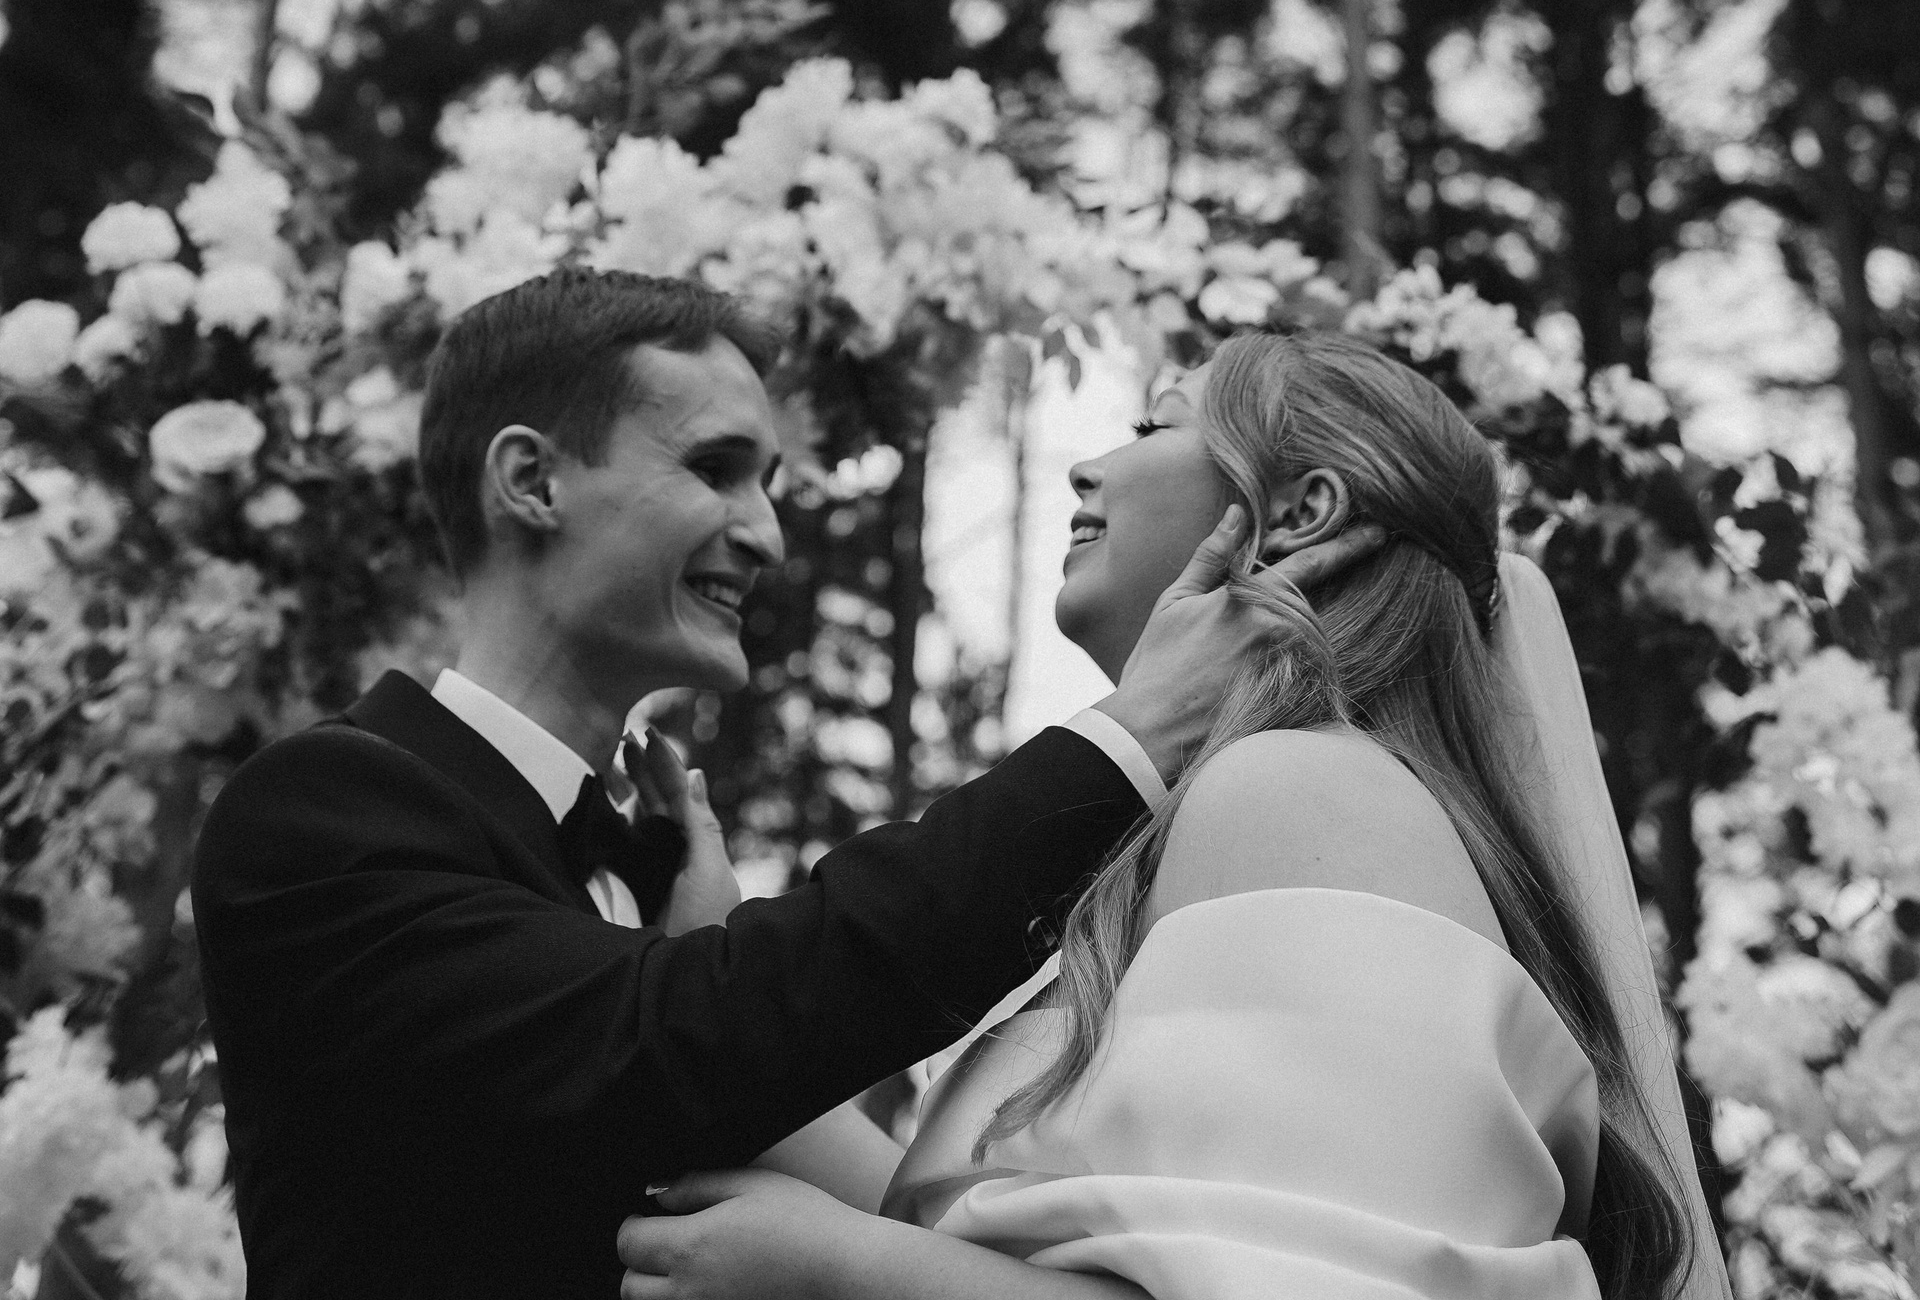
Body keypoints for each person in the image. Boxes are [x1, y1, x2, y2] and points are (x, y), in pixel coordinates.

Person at [192, 270, 1352, 1300]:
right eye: (715, 471)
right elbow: (683, 1039)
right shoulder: (322, 811)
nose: (768, 535)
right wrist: (1126, 742)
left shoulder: (655, 876)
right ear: (532, 481)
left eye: (770, 484)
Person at [613, 325, 1734, 1300]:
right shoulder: (1233, 822)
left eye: (1154, 426)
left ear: (1298, 513)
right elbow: (1016, 1242)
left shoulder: (1301, 793)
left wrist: (840, 1274)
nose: (1087, 466)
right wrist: (714, 956)